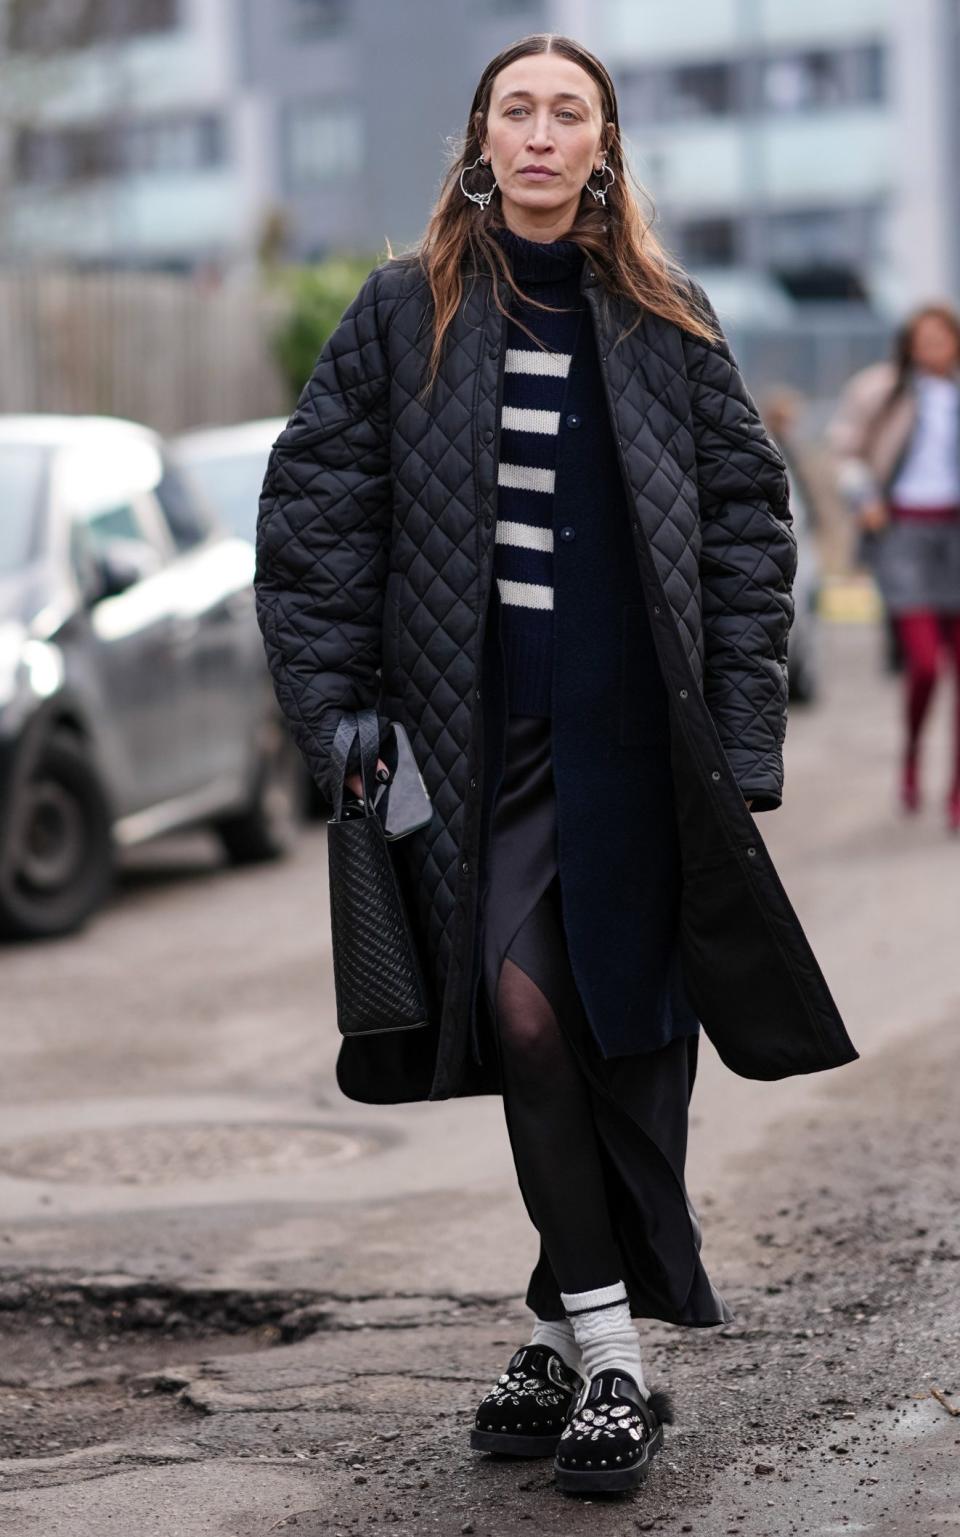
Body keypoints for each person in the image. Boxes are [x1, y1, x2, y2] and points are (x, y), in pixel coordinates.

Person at [254, 33, 858, 1499]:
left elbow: (743, 529)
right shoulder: (408, 313)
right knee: (524, 1012)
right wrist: (334, 707)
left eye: (566, 112)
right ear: (481, 135)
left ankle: (546, 1323)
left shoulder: (667, 317)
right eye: (516, 110)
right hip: (481, 751)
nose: (539, 135)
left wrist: (743, 737)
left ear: (603, 146)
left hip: (637, 747)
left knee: (622, 1041)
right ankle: (611, 1363)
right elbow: (317, 513)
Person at [827, 304, 960, 830]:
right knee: (925, 664)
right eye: (922, 339)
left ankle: (955, 790)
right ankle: (911, 757)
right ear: (907, 344)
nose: (932, 348)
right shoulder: (879, 389)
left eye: (941, 339)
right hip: (903, 532)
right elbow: (845, 452)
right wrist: (864, 500)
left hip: (955, 532)